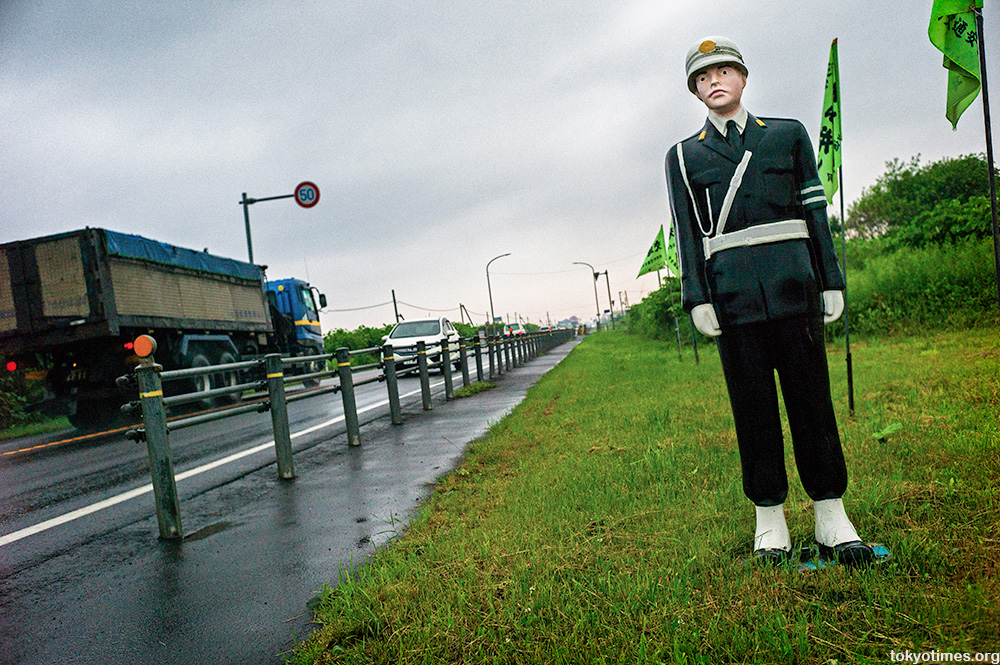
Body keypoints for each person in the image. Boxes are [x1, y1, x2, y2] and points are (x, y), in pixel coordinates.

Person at [663, 36, 875, 566]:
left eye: (724, 71)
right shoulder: (684, 156)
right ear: (695, 90)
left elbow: (815, 211)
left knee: (813, 404)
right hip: (732, 298)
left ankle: (831, 516)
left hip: (793, 287)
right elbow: (688, 233)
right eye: (703, 76)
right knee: (752, 411)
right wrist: (697, 298)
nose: (715, 81)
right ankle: (770, 521)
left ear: (742, 78)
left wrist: (831, 279)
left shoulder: (787, 135)